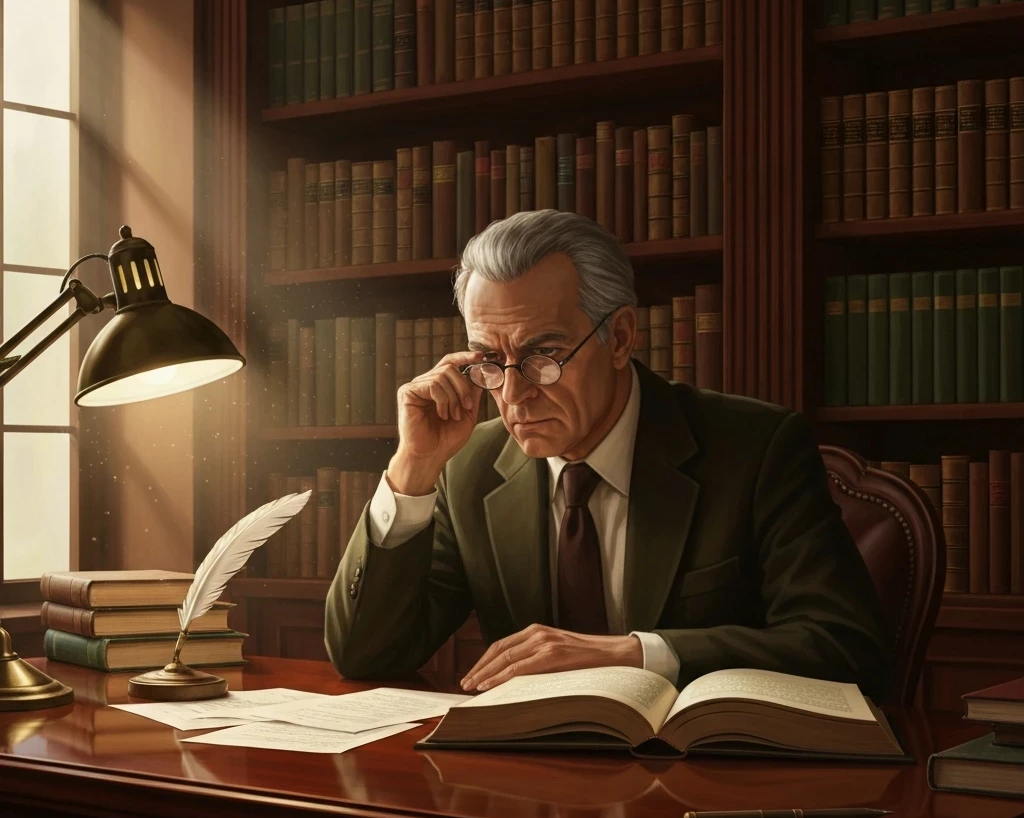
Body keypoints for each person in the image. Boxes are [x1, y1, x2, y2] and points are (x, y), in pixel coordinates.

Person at [324, 210, 889, 699]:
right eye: (488, 360)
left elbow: (843, 643)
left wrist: (635, 654)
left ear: (619, 338)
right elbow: (365, 656)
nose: (513, 394)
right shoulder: (468, 468)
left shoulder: (756, 447)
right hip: (529, 787)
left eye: (544, 353)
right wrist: (413, 470)